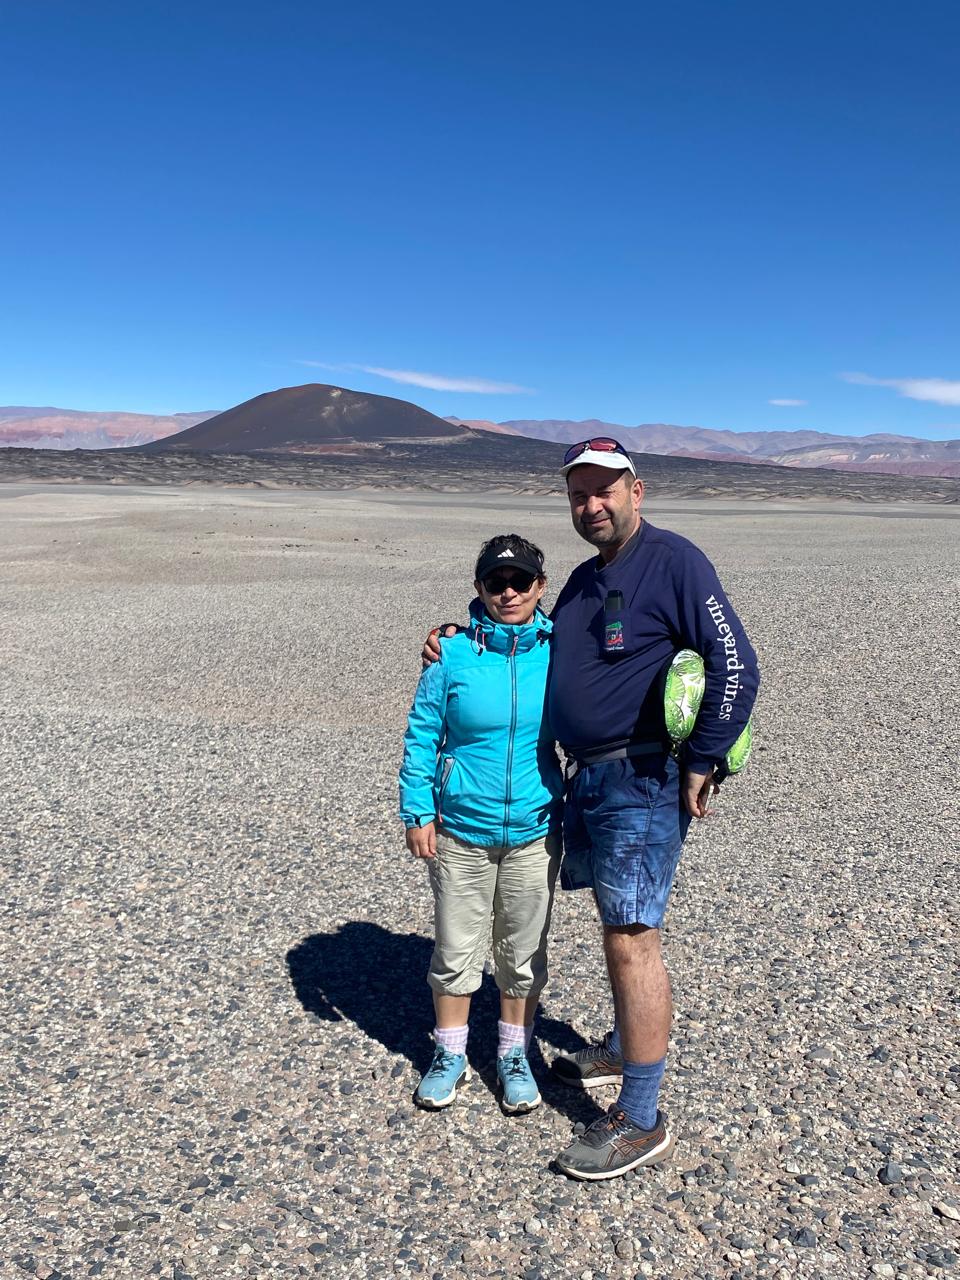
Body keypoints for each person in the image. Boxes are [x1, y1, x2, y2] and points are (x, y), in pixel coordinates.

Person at [423, 438, 759, 1180]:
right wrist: (457, 635)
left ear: (638, 490)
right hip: (590, 783)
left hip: (641, 778)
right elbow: (527, 636)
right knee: (615, 923)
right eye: (579, 494)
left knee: (632, 937)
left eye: (605, 490)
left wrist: (705, 756)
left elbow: (736, 662)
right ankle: (621, 1047)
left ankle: (640, 1117)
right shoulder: (582, 580)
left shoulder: (674, 562)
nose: (592, 505)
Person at [399, 534, 563, 1115]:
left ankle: (513, 1054)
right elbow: (422, 736)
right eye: (497, 582)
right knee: (455, 949)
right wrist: (417, 810)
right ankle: (449, 1054)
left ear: (541, 587)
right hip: (461, 830)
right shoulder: (451, 655)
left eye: (521, 581)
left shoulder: (560, 651)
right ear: (479, 588)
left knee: (522, 953)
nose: (509, 592)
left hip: (535, 828)